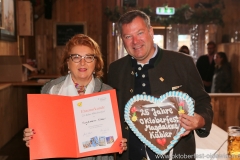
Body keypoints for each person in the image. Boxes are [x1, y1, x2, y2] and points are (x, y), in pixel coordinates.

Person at [107, 10, 213, 160]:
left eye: (140, 33)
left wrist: (200, 120)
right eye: (128, 36)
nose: (135, 42)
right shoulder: (115, 69)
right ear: (122, 39)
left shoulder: (183, 63)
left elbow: (203, 101)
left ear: (151, 31)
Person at [23, 34, 127, 160]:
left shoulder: (107, 93)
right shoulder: (51, 90)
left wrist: (118, 142)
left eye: (89, 57)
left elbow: (112, 136)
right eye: (76, 57)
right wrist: (33, 137)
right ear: (68, 61)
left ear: (96, 62)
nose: (82, 62)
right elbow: (43, 134)